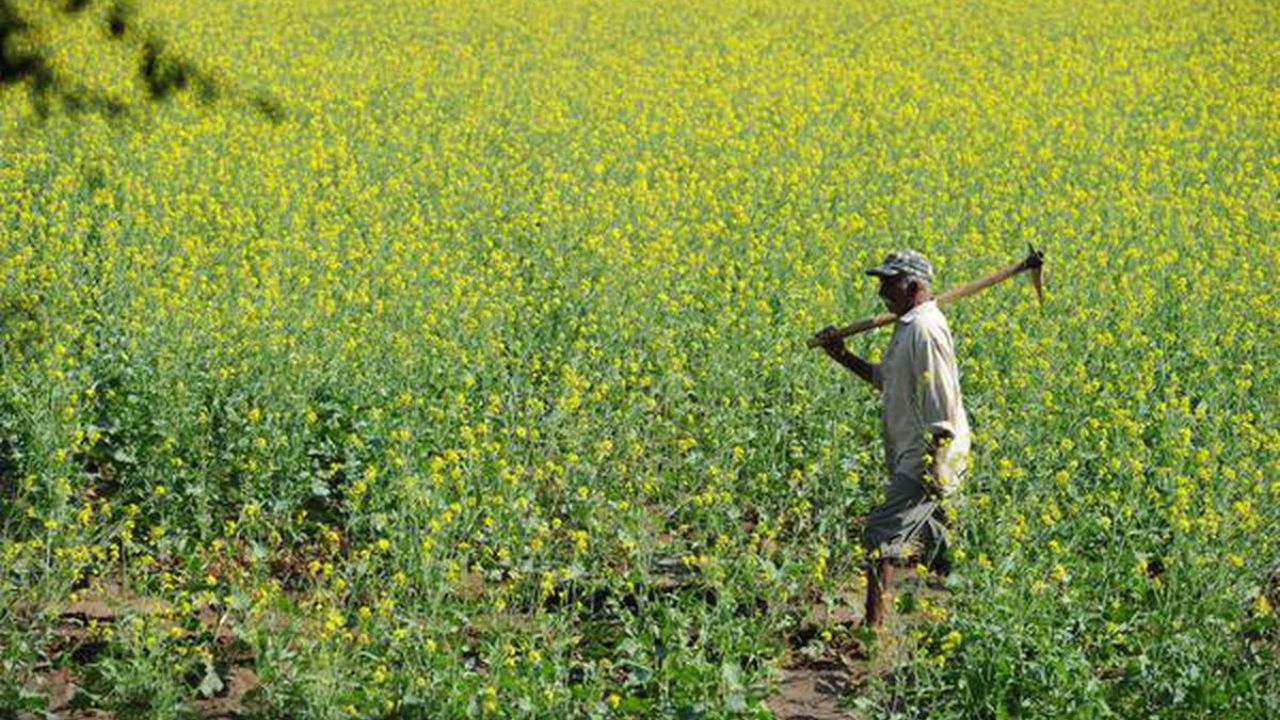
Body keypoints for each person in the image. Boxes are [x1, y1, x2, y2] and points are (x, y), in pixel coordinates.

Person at [814, 249, 971, 628]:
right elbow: (885, 380)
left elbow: (942, 402)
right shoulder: (907, 326)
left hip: (928, 454)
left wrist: (933, 462)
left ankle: (874, 632)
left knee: (879, 535)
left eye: (889, 282)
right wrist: (841, 355)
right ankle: (967, 609)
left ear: (914, 285)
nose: (882, 292)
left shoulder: (925, 329)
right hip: (912, 451)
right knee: (935, 542)